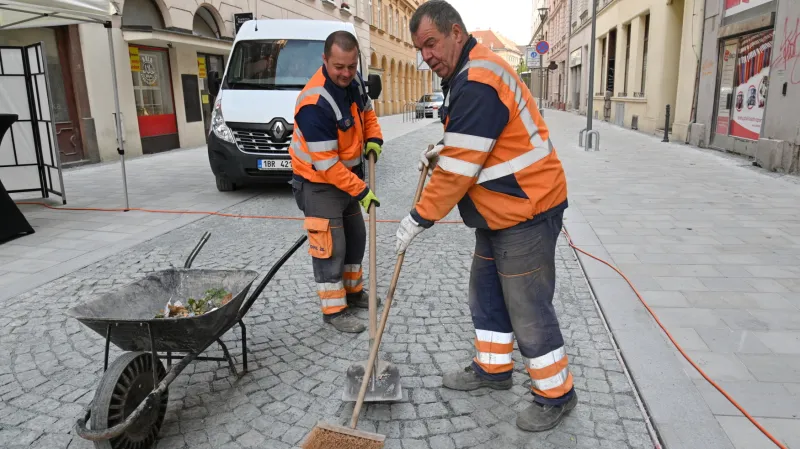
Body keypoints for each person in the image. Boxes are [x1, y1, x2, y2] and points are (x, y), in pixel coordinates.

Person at [396, 0, 577, 432]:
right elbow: (474, 144)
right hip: (500, 212)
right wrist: (446, 147)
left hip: (526, 211)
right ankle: (493, 371)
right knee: (486, 294)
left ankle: (556, 395)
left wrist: (417, 218)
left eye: (431, 44)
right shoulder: (467, 72)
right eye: (421, 49)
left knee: (528, 308)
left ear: (456, 33)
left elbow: (461, 169)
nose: (427, 56)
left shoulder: (478, 78)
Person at [289, 31, 383, 334]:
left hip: (346, 178)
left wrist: (374, 139)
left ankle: (353, 294)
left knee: (356, 238)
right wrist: (363, 190)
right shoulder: (314, 103)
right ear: (325, 60)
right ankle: (334, 310)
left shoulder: (353, 82)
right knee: (331, 247)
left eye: (351, 66)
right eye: (338, 66)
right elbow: (327, 165)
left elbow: (367, 112)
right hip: (318, 183)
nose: (345, 73)